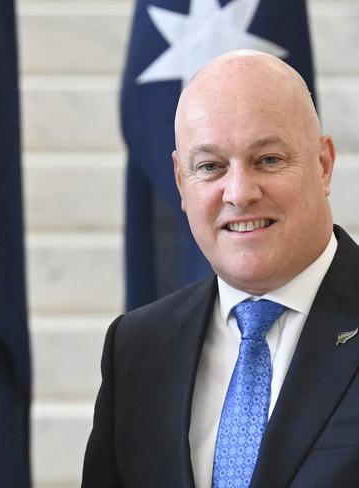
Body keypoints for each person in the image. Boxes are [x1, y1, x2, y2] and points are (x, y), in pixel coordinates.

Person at [82, 49, 359, 487]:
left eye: (268, 159)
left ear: (323, 166)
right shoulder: (136, 349)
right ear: (180, 181)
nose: (240, 193)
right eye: (210, 167)